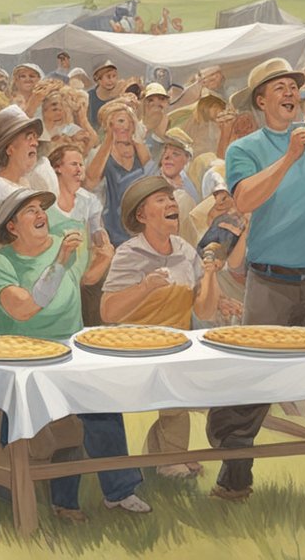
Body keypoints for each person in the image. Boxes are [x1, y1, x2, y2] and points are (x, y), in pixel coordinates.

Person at [208, 58, 305, 503]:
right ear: (261, 100)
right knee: (252, 377)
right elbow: (243, 199)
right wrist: (289, 156)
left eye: (293, 86)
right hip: (272, 281)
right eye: (279, 87)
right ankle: (235, 478)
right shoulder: (246, 149)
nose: (290, 92)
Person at [0, 187, 144, 521]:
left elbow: (83, 279)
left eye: (42, 208)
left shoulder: (63, 245)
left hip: (73, 349)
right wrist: (59, 263)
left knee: (105, 408)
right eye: (30, 211)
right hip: (26, 359)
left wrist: (104, 259)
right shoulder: (0, 263)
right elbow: (23, 308)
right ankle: (64, 503)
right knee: (63, 422)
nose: (41, 215)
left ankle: (120, 491)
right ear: (12, 227)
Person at [102, 175, 241, 478]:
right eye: (160, 200)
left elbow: (201, 307)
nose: (171, 203)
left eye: (171, 198)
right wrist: (144, 287)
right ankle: (169, 458)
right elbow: (108, 311)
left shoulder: (185, 250)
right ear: (141, 215)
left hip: (177, 345)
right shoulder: (129, 254)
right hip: (138, 347)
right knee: (181, 387)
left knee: (208, 381)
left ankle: (169, 456)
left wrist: (211, 278)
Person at [46, 144, 107, 326]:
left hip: (84, 280)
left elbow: (98, 235)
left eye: (81, 164)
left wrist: (104, 245)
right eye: (74, 164)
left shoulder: (89, 200)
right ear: (57, 167)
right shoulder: (46, 202)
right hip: (55, 279)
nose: (79, 169)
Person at [85, 102, 151, 247]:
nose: (126, 126)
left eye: (130, 121)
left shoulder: (140, 150)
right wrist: (109, 139)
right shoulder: (99, 153)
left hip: (142, 220)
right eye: (121, 121)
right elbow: (90, 182)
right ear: (108, 125)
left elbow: (151, 176)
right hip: (112, 223)